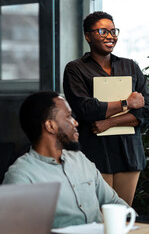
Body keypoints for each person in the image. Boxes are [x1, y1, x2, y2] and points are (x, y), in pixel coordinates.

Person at [63, 11, 149, 206]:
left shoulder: (130, 67)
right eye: (103, 31)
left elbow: (147, 110)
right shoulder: (75, 69)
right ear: (88, 36)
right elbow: (86, 109)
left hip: (128, 152)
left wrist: (109, 122)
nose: (110, 36)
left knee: (122, 213)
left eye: (114, 31)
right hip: (95, 153)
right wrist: (126, 104)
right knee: (99, 217)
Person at [3, 91, 129, 228]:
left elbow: (114, 203)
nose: (75, 122)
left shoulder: (79, 159)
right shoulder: (21, 176)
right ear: (50, 126)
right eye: (68, 117)